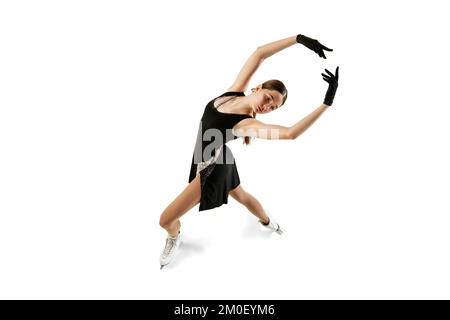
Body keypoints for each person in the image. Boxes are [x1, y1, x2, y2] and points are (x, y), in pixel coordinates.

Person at [158, 34, 339, 269]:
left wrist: (326, 104)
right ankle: (269, 222)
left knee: (165, 220)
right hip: (219, 157)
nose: (267, 107)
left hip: (214, 168)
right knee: (241, 196)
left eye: (273, 108)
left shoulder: (247, 125)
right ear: (258, 87)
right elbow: (259, 53)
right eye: (268, 98)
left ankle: (174, 236)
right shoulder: (232, 93)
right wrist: (298, 39)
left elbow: (289, 133)